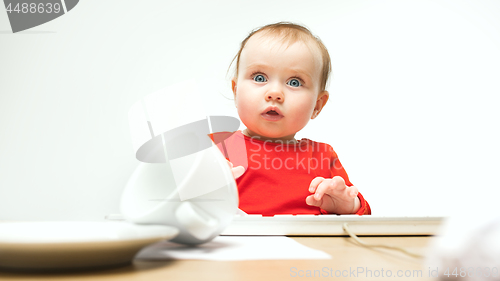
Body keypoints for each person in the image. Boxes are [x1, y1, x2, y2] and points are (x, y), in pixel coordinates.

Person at [211, 22, 371, 216]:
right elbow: (173, 204)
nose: (275, 93)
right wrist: (200, 187)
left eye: (294, 82)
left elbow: (362, 212)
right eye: (260, 78)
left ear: (317, 105)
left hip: (305, 244)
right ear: (236, 91)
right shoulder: (217, 148)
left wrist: (347, 205)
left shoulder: (321, 156)